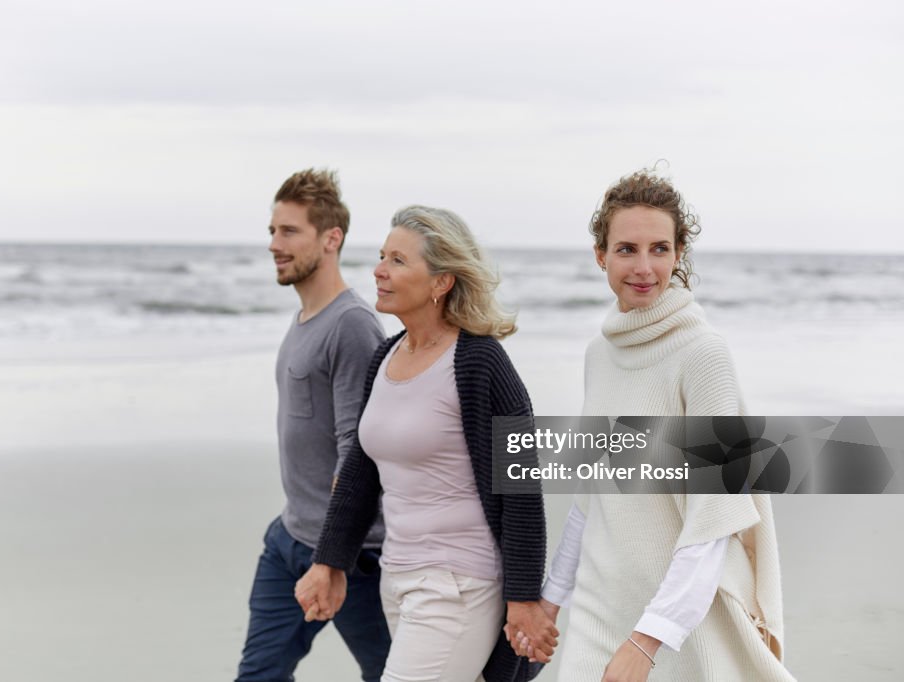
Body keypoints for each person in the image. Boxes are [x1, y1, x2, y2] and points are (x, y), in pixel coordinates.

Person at [513, 170, 794, 681]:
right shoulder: (599, 354)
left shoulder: (703, 355)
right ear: (601, 255)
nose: (644, 268)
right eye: (626, 250)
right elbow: (590, 492)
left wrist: (647, 640)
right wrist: (552, 601)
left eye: (659, 249)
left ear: (678, 253)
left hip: (679, 621)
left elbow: (714, 522)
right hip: (600, 606)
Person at [294, 205, 555, 682]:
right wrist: (329, 562)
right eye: (381, 256)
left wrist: (522, 598)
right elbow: (360, 471)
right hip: (398, 578)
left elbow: (521, 489)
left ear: (441, 282)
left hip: (458, 584)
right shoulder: (386, 355)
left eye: (398, 260)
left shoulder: (480, 363)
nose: (379, 270)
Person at [235, 168, 391, 681]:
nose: (274, 245)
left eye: (289, 232)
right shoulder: (307, 316)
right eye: (272, 232)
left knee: (396, 676)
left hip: (351, 556)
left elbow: (358, 450)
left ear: (331, 238)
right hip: (288, 541)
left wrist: (331, 561)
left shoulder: (351, 325)